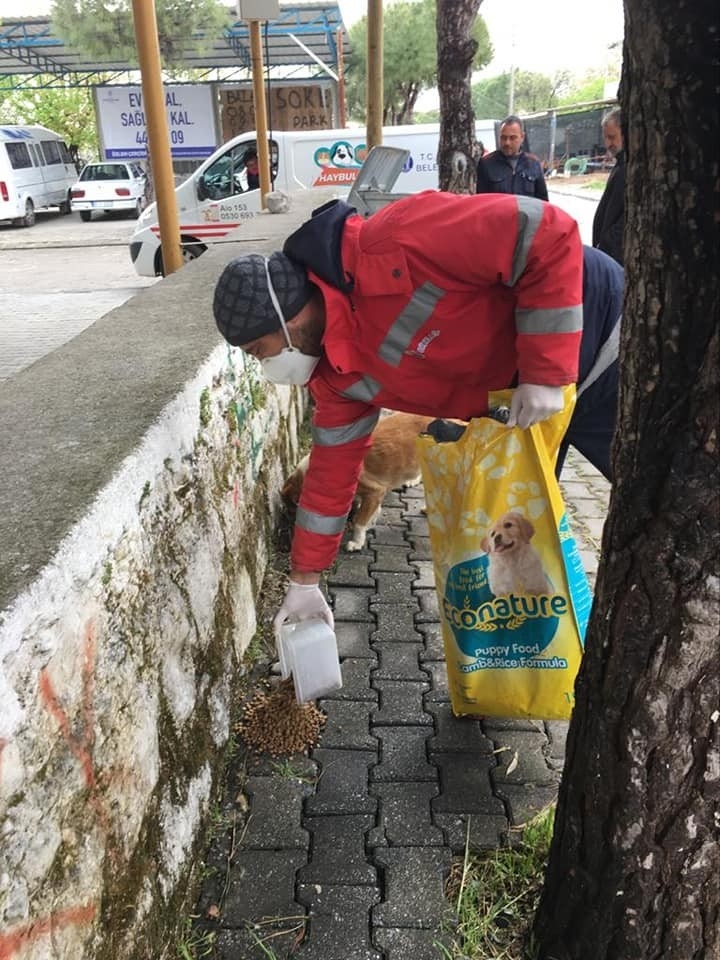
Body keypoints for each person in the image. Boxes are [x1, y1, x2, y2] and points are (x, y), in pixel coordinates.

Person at [213, 191, 622, 628]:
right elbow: (329, 477)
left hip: (605, 349)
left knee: (657, 512)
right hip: (524, 412)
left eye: (259, 350)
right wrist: (304, 580)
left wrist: (545, 369)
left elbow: (542, 229)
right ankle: (554, 655)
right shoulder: (335, 375)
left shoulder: (394, 240)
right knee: (522, 536)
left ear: (288, 318)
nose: (265, 364)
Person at [476, 115, 548, 201]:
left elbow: (543, 202)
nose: (507, 143)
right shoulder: (486, 164)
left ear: (522, 137)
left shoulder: (533, 164)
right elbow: (481, 201)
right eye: (503, 138)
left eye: (512, 138)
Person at [592, 106, 625, 265]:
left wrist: (607, 244)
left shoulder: (630, 168)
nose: (608, 144)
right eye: (606, 138)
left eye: (612, 137)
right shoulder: (620, 165)